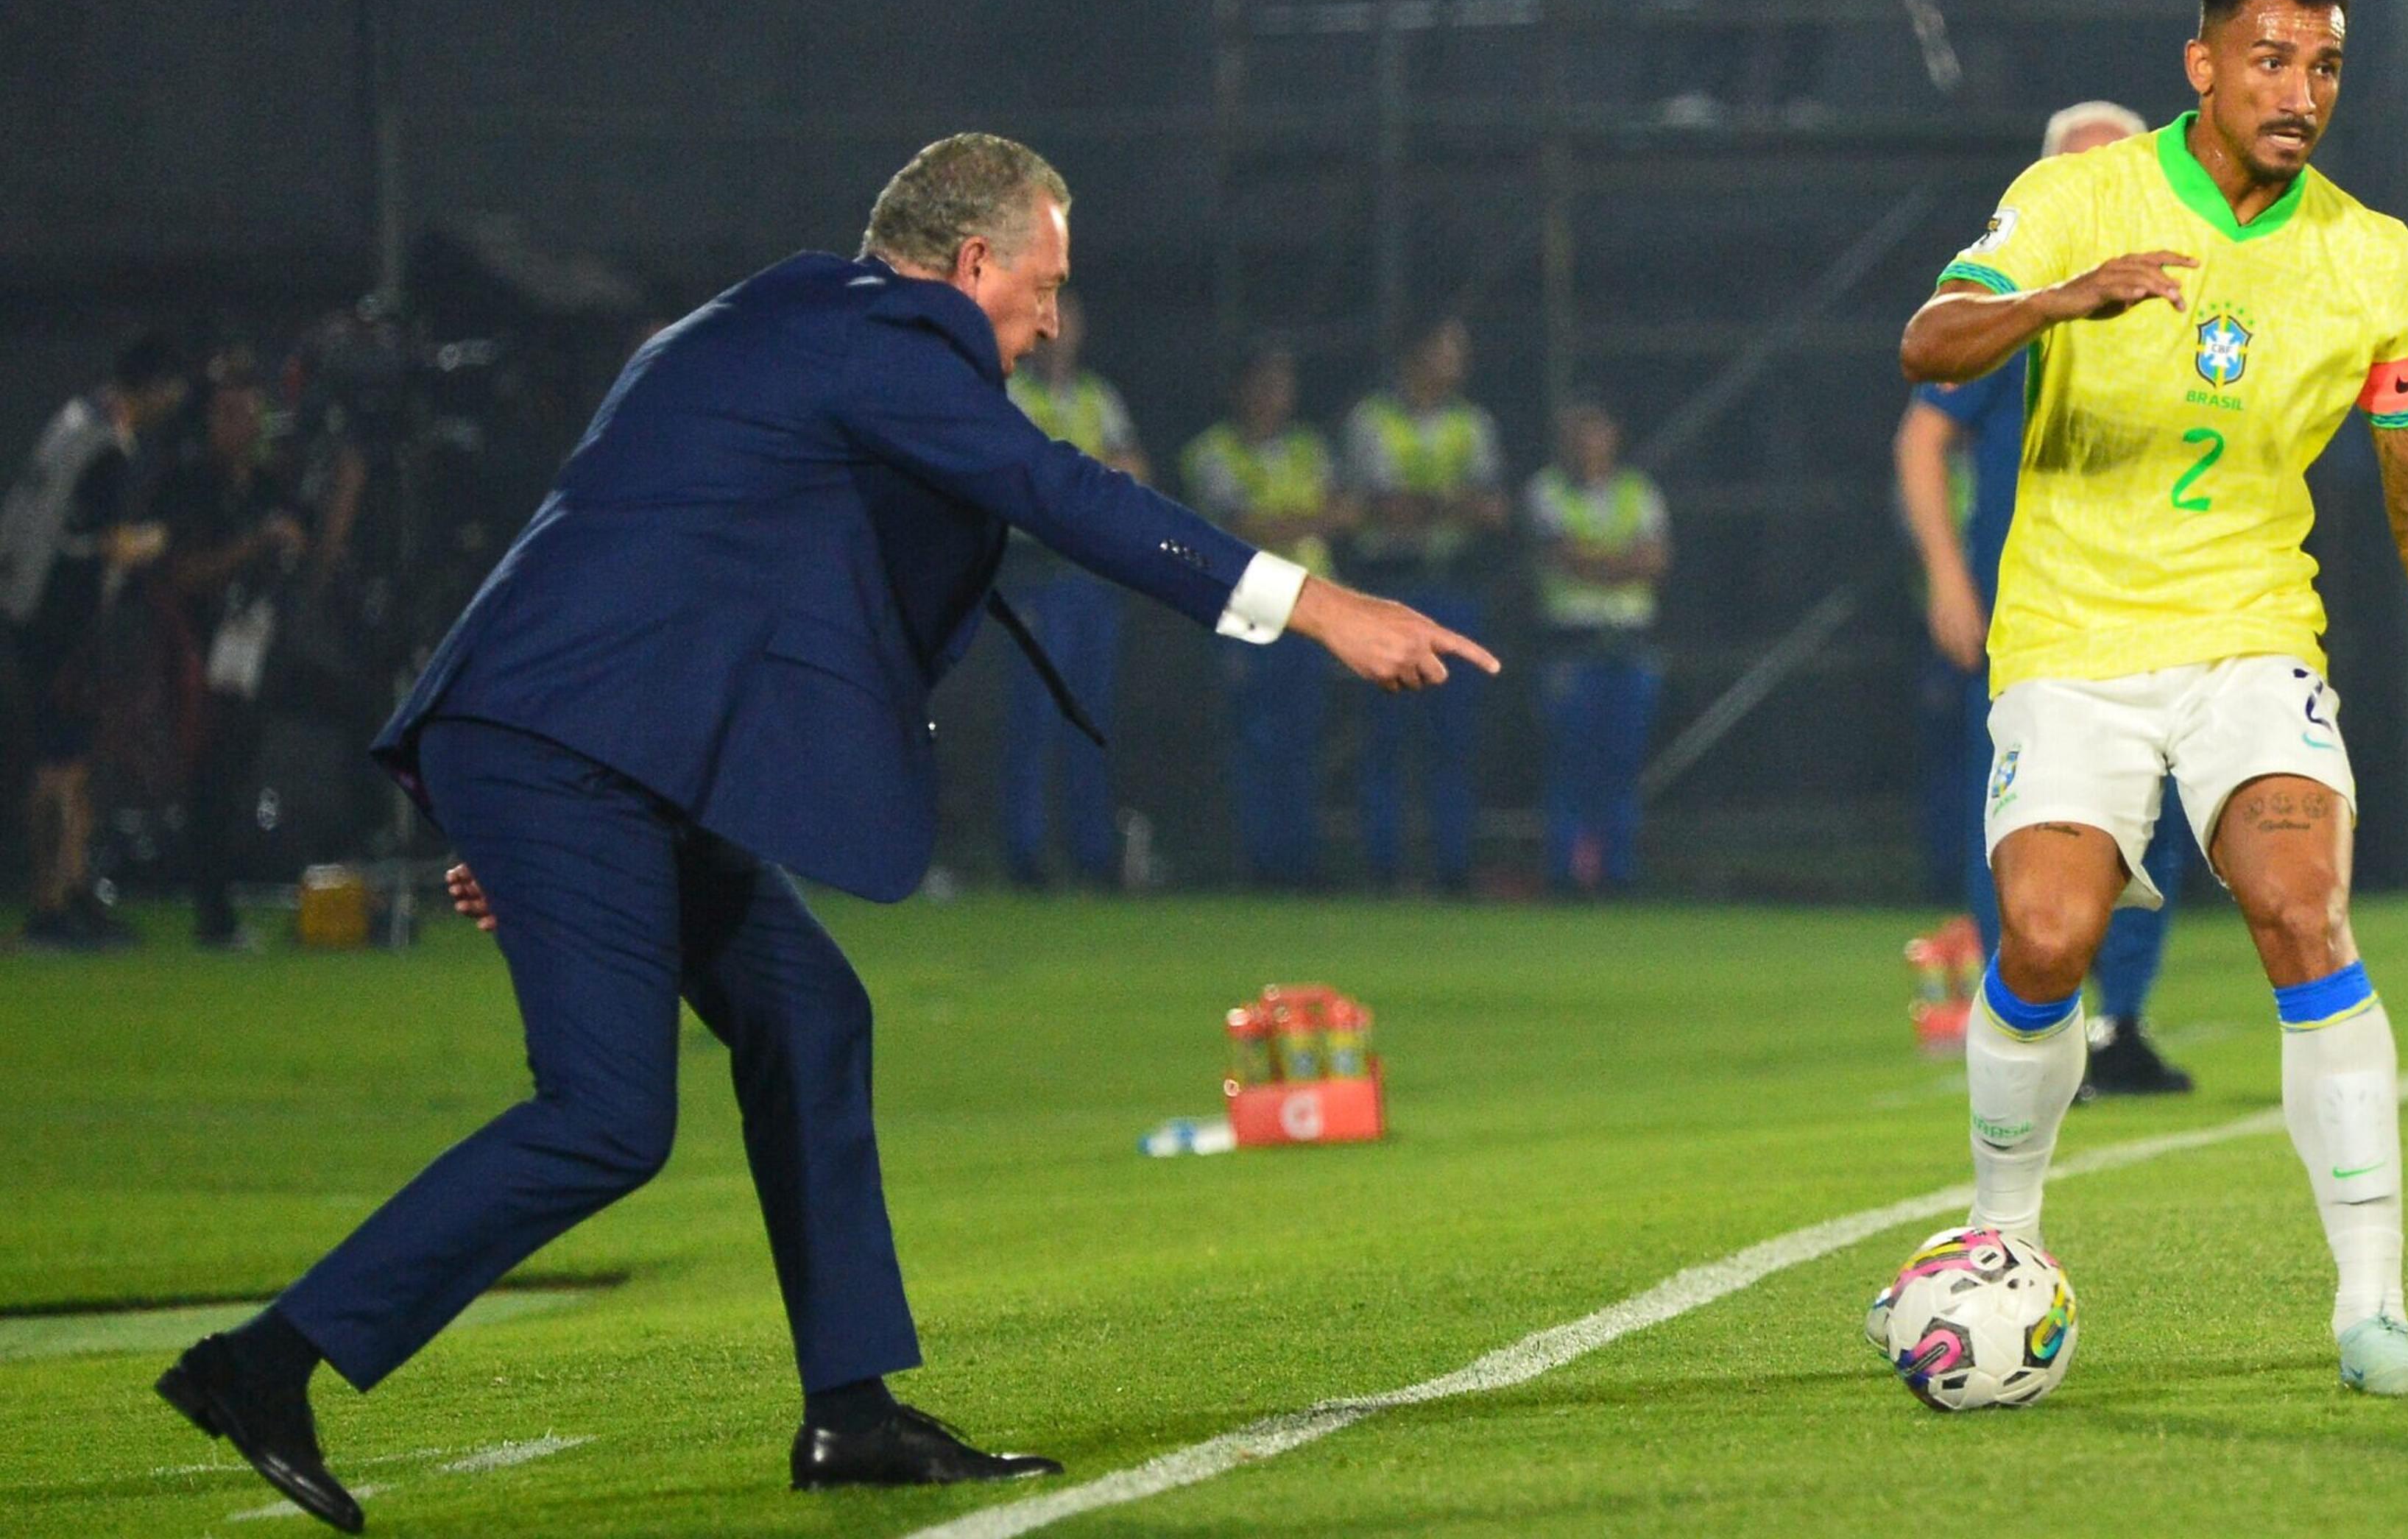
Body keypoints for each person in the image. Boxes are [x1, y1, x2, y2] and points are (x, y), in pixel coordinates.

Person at [155, 132, 1497, 1532]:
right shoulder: (884, 343)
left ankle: (850, 1415)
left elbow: (656, 561)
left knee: (810, 1012)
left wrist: (511, 802)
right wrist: (1323, 607)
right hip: (570, 753)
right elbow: (1064, 497)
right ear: (973, 263)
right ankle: (267, 1365)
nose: (1052, 318)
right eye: (1045, 283)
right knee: (607, 1119)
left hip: (584, 746)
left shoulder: (779, 321)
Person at [1899, 0, 2408, 1398]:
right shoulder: (2078, 197)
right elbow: (1929, 343)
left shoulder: (2367, 257)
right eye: (2270, 58)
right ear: (2201, 64)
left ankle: (2373, 1312)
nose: (2299, 90)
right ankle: (2004, 1239)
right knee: (2048, 939)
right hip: (2070, 640)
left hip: (2252, 637)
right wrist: (2059, 302)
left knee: (2302, 907)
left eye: (2323, 64)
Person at [1894, 99, 2195, 1097]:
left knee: (2159, 811)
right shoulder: (2020, 308)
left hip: (2159, 603)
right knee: (2025, 815)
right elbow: (1925, 433)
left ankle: (2121, 1021)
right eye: (2079, 169)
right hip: (2034, 612)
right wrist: (1947, 574)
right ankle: (2020, 1017)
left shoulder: (2187, 301)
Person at [0, 332, 190, 947]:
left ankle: (74, 891)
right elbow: (109, 542)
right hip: (58, 615)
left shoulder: (76, 421)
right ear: (156, 386)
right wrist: (162, 540)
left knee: (72, 761)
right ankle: (50, 904)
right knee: (60, 765)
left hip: (36, 608)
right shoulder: (105, 445)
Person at [1342, 316, 1508, 892]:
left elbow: (1493, 510)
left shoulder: (1474, 424)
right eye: (1447, 347)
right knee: (1385, 735)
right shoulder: (1373, 421)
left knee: (1453, 736)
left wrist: (1423, 504)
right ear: (1417, 352)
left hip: (1452, 589)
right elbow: (1381, 508)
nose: (1457, 360)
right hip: (1391, 589)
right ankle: (1383, 867)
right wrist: (1451, 504)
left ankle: (1452, 869)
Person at [149, 352, 307, 949]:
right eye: (229, 413)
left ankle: (223, 907)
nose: (241, 425)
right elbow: (183, 573)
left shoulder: (270, 487)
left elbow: (309, 562)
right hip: (192, 648)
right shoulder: (189, 485)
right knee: (207, 780)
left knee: (233, 776)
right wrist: (252, 546)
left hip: (254, 648)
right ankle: (212, 915)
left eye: (250, 413)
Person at [1181, 345, 1349, 887]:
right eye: (1264, 382)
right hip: (1245, 613)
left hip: (1307, 614)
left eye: (1282, 383)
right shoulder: (1212, 453)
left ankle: (1298, 862)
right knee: (1252, 741)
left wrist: (1279, 523)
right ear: (1240, 390)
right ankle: (1254, 863)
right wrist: (1304, 521)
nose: (1275, 396)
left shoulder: (1309, 449)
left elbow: (1343, 513)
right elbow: (1236, 528)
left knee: (1300, 741)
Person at [999, 290, 1149, 887]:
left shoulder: (1097, 397)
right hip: (1032, 574)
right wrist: (1088, 475)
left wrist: (1070, 478)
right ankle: (1027, 854)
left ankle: (1092, 853)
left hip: (1089, 578)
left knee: (1089, 717)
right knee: (1034, 719)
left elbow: (1135, 468)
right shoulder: (1009, 392)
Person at [1525, 401, 1670, 894]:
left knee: (1622, 765)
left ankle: (1617, 872)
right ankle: (1567, 873)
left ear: (1614, 436)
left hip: (1628, 646)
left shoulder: (1638, 492)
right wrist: (1619, 561)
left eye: (1598, 430)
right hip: (1572, 646)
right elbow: (1563, 557)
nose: (1589, 442)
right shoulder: (1545, 491)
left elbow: (1655, 560)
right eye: (1579, 431)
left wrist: (1593, 560)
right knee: (1570, 763)